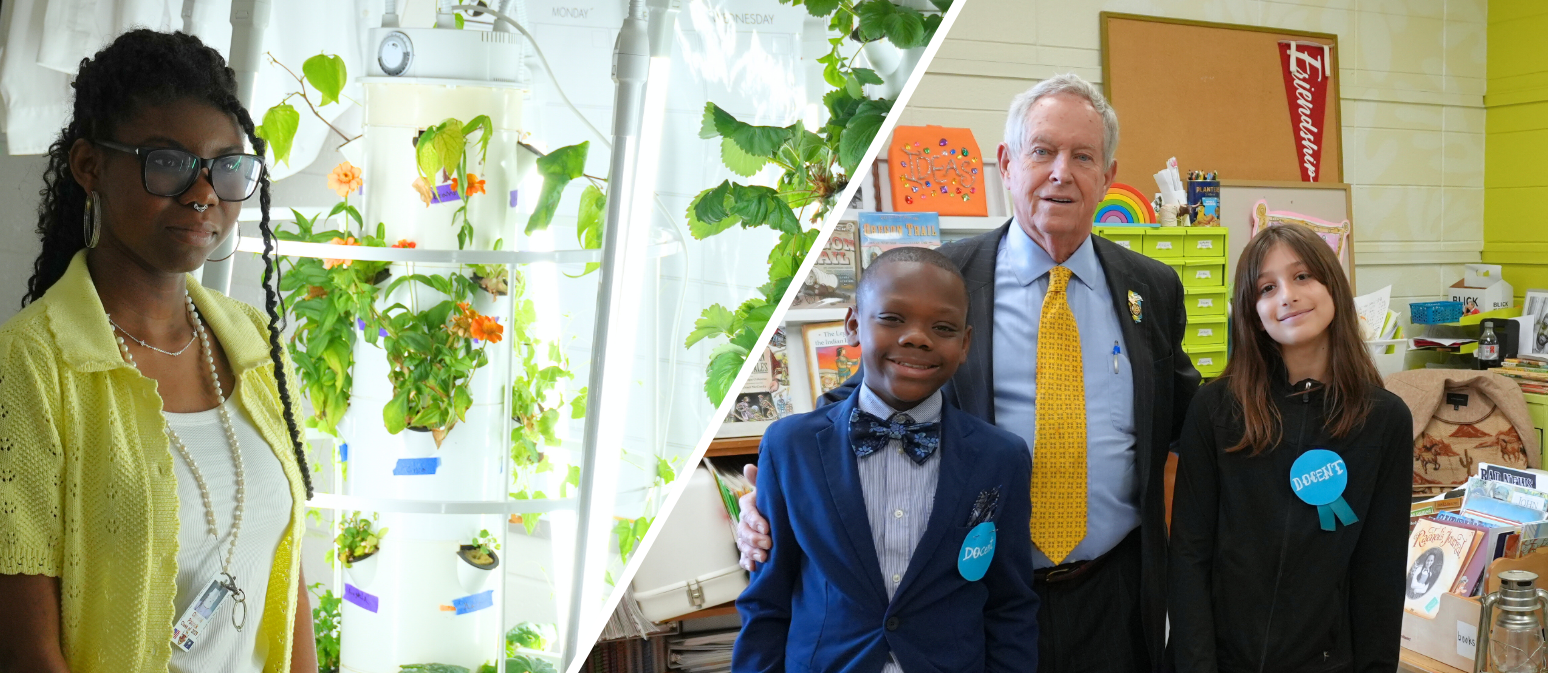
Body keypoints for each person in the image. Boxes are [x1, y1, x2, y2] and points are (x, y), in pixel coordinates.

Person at [737, 73, 1199, 671]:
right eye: (1043, 151)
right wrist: (768, 502)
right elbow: (860, 399)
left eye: (1083, 156)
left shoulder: (1152, 288)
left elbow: (1190, 417)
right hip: (969, 601)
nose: (1062, 171)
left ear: (1108, 175)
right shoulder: (945, 279)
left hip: (1113, 594)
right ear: (1007, 163)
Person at [0, 30, 318, 673]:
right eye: (168, 162)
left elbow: (284, 577)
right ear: (90, 166)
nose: (204, 195)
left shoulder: (254, 346)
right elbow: (26, 648)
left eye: (227, 167)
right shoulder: (29, 368)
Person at [733, 247, 1039, 673]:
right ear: (854, 323)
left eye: (943, 327)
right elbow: (766, 602)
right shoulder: (791, 446)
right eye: (893, 319)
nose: (917, 337)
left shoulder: (1000, 457)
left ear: (965, 343)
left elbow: (1009, 605)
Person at [1168, 223, 1411, 672]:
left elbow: (1381, 572)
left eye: (1303, 277)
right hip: (1220, 660)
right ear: (1251, 311)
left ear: (1332, 285)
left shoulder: (1384, 419)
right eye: (1267, 287)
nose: (1287, 295)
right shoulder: (1216, 409)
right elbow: (1189, 555)